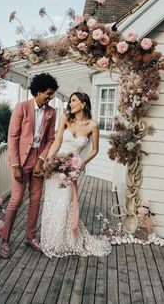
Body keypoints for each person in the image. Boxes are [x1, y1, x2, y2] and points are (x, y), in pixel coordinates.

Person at [41, 92, 111, 258]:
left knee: (65, 202)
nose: (70, 103)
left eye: (73, 100)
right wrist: (48, 160)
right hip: (56, 164)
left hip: (72, 167)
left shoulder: (93, 125)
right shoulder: (65, 118)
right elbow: (57, 141)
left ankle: (65, 241)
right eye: (70, 101)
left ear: (83, 103)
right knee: (52, 202)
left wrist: (82, 163)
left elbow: (95, 149)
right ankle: (52, 241)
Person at [0, 73, 59, 259]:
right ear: (38, 91)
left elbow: (50, 139)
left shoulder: (51, 112)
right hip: (21, 160)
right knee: (16, 201)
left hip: (38, 161)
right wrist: (15, 165)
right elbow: (13, 137)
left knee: (35, 201)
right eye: (49, 93)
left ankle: (30, 237)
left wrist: (41, 160)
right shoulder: (22, 108)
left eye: (53, 94)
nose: (51, 97)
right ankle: (5, 241)